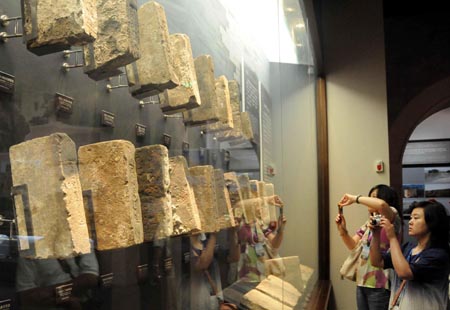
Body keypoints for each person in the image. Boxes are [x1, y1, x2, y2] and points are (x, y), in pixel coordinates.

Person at [370, 200, 450, 310]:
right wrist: (376, 234)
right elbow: (377, 261)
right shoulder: (408, 247)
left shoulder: (438, 254)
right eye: (411, 217)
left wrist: (392, 237)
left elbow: (405, 273)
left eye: (416, 218)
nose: (411, 222)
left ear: (432, 222)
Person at [336, 184, 402, 310]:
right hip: (362, 281)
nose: (369, 201)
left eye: (374, 198)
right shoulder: (369, 222)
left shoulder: (392, 216)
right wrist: (342, 231)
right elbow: (353, 245)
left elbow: (382, 205)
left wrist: (355, 198)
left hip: (381, 283)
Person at [16, 250, 100, 310]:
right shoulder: (29, 251)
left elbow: (90, 279)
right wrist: (65, 298)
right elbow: (26, 297)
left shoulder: (81, 240)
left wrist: (60, 297)